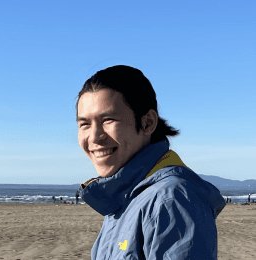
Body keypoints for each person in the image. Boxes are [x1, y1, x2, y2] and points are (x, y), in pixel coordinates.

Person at [76, 65, 226, 260]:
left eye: (108, 120)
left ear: (148, 123)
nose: (95, 137)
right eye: (85, 124)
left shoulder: (171, 199)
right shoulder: (126, 196)